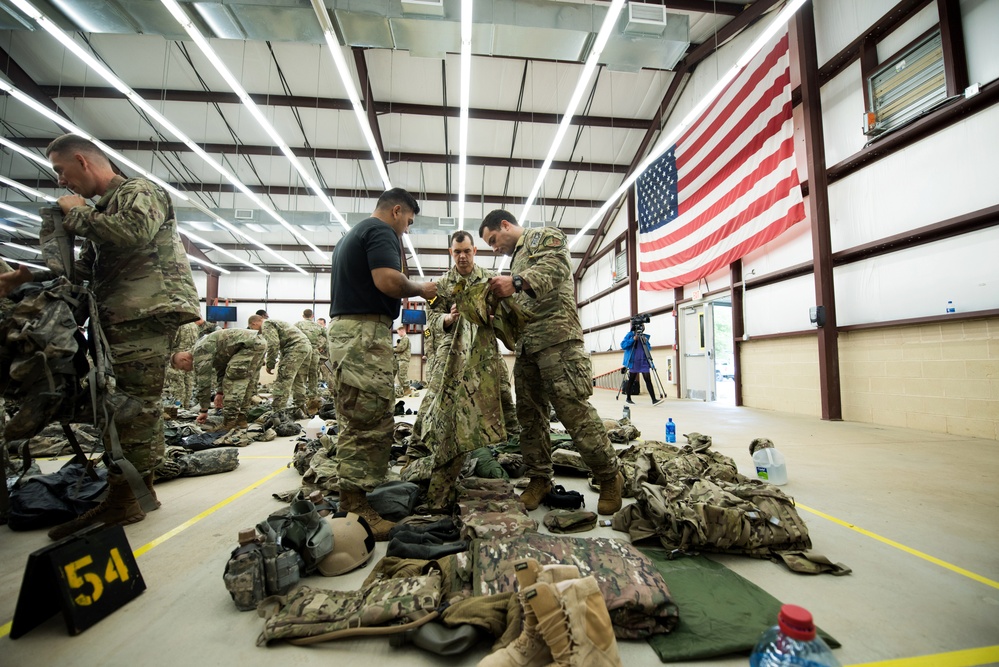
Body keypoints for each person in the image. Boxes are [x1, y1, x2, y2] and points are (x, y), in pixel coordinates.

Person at [0, 133, 201, 539]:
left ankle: (125, 499)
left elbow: (135, 232)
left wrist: (75, 214)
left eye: (61, 170)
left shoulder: (139, 191)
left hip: (143, 314)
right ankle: (135, 489)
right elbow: (89, 271)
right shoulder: (104, 213)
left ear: (82, 160)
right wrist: (28, 277)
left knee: (133, 406)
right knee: (126, 404)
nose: (61, 181)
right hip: (122, 317)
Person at [480, 209, 622, 515]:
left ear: (505, 225)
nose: (495, 248)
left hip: (559, 341)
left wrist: (515, 282)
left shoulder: (544, 236)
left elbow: (557, 269)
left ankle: (609, 476)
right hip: (528, 346)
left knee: (573, 412)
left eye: (493, 239)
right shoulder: (516, 258)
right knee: (530, 417)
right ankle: (540, 478)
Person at [328, 187, 437, 540]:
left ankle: (354, 492)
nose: (406, 228)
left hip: (350, 332)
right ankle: (356, 508)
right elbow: (388, 281)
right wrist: (422, 288)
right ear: (396, 210)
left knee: (356, 414)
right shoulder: (380, 231)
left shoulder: (351, 235)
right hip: (362, 334)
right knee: (369, 419)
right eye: (408, 220)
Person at [419, 230, 521, 507]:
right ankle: (428, 449)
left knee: (501, 393)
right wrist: (447, 319)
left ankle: (508, 445)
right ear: (451, 253)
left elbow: (506, 310)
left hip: (484, 348)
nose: (462, 256)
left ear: (475, 251)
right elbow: (431, 317)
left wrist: (493, 316)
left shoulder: (489, 279)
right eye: (457, 252)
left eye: (466, 251)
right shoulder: (442, 285)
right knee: (439, 399)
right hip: (451, 349)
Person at [170, 327, 267, 431]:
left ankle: (229, 423)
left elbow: (204, 383)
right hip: (257, 342)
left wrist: (203, 410)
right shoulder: (204, 349)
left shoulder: (200, 352)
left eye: (183, 367)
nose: (186, 371)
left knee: (232, 381)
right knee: (247, 381)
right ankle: (241, 419)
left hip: (248, 345)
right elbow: (222, 369)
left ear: (184, 359)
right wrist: (220, 392)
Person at [248, 314, 311, 418]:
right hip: (305, 347)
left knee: (283, 380)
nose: (254, 330)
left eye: (252, 328)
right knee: (299, 380)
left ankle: (278, 413)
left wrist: (270, 364)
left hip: (295, 348)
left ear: (254, 323)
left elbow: (273, 343)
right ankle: (300, 409)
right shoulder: (275, 321)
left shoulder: (266, 324)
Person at [620, 324, 664, 405]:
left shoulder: (644, 336)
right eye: (641, 326)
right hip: (634, 361)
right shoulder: (630, 335)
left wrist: (645, 341)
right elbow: (623, 345)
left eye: (643, 326)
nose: (642, 327)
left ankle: (654, 400)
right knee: (631, 379)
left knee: (648, 379)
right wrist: (633, 339)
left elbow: (649, 348)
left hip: (643, 361)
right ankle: (628, 398)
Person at [295, 308, 328, 406]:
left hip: (302, 351)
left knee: (301, 374)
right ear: (312, 316)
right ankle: (312, 396)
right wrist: (323, 347)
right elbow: (328, 337)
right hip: (314, 351)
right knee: (313, 373)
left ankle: (300, 397)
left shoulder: (298, 324)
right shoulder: (318, 326)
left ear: (303, 316)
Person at [164, 320, 200, 409]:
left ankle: (177, 409)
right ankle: (186, 408)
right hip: (190, 359)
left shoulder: (178, 325)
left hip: (177, 359)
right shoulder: (194, 325)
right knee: (188, 384)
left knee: (177, 386)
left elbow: (169, 343)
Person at [393, 325, 412, 396]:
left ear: (402, 331)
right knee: (399, 375)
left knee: (402, 375)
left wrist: (391, 349)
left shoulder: (405, 339)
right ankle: (404, 389)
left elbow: (400, 349)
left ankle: (407, 389)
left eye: (398, 333)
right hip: (400, 359)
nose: (398, 334)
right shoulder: (403, 339)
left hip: (403, 359)